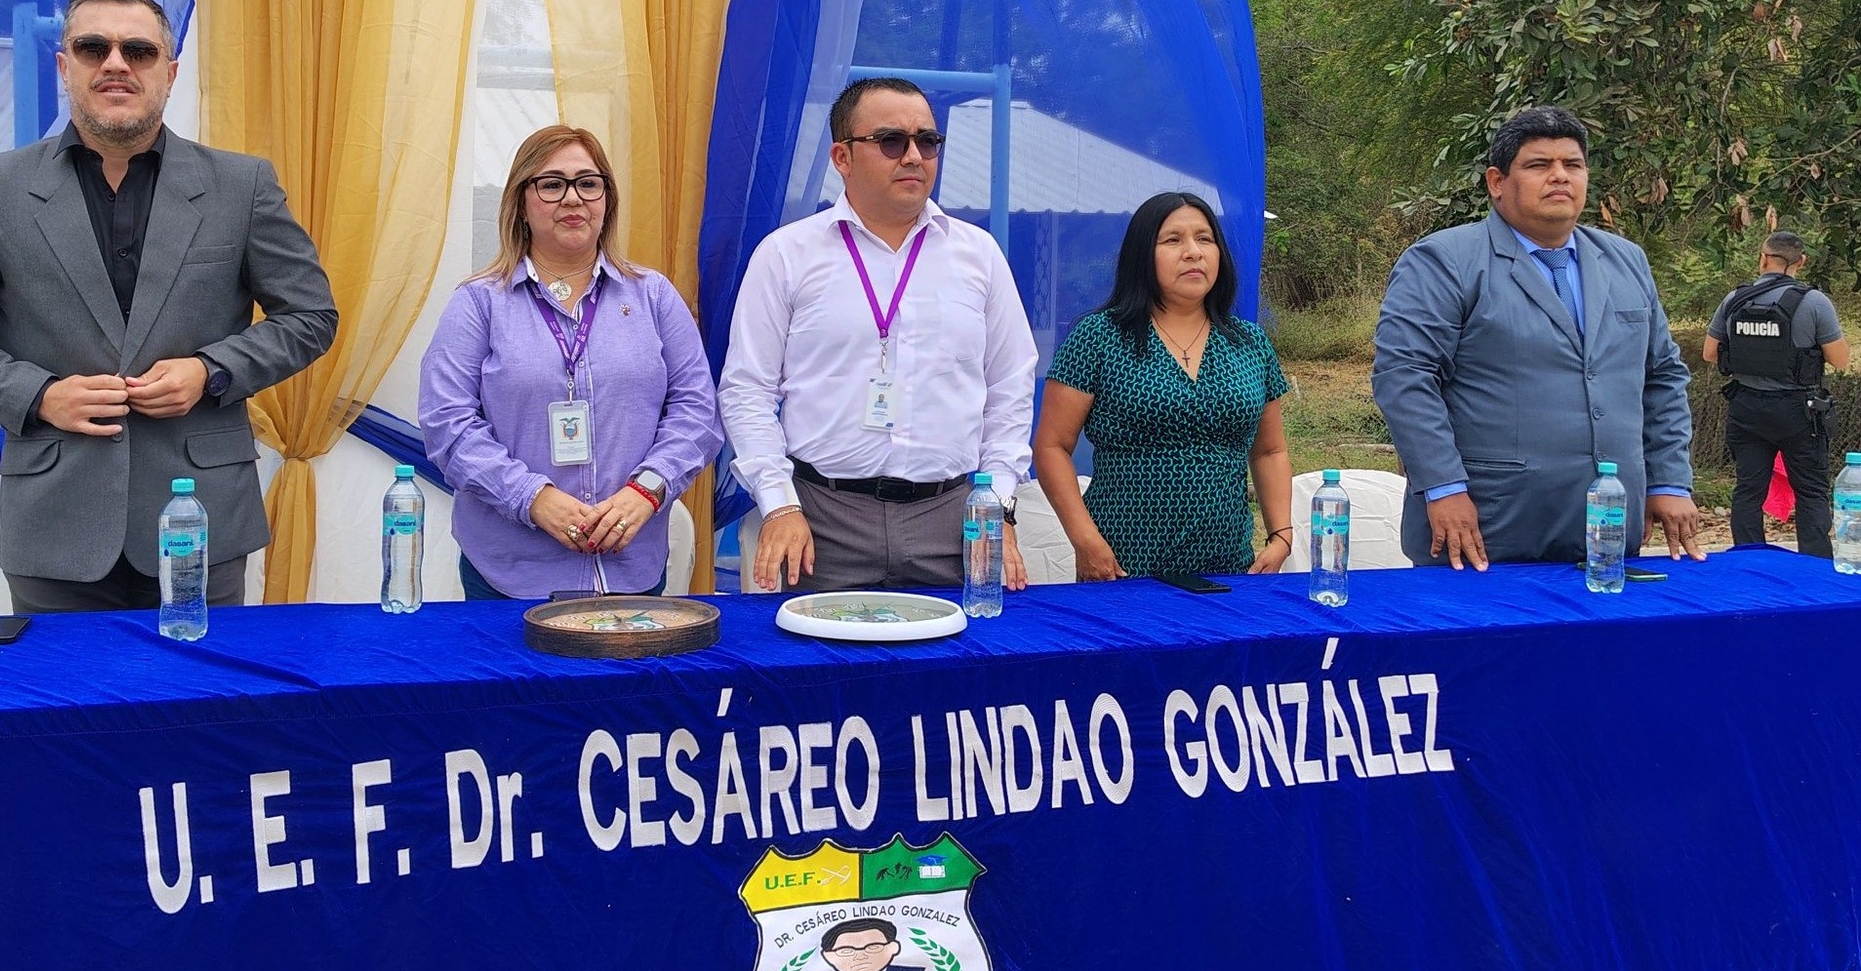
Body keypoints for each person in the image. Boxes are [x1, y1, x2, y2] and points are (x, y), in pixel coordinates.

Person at [0, 0, 337, 614]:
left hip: (202, 519)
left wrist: (210, 371)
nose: (116, 64)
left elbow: (311, 316)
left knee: (199, 681)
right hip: (56, 526)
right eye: (93, 47)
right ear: (64, 67)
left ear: (169, 73)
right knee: (62, 685)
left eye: (139, 51)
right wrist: (38, 395)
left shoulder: (242, 186)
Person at [718, 76, 1038, 593]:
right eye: (891, 141)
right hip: (823, 519)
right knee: (814, 650)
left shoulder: (978, 255)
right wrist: (778, 504)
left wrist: (996, 505)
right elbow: (747, 389)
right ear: (841, 157)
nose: (913, 156)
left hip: (952, 519)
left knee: (966, 648)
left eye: (927, 141)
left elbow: (1010, 386)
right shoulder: (787, 255)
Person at [1372, 105, 1699, 569]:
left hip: (1607, 530)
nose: (1560, 176)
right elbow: (1405, 377)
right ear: (1497, 182)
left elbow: (1663, 376)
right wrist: (1443, 487)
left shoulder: (1626, 261)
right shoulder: (1444, 261)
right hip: (1485, 527)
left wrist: (1668, 480)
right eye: (1539, 164)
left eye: (1573, 164)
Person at [420, 126, 721, 600]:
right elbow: (447, 424)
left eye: (588, 183)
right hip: (509, 578)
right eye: (552, 184)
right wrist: (532, 498)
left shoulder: (654, 296)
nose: (573, 198)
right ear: (521, 202)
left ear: (607, 200)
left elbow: (697, 413)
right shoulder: (479, 303)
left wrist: (645, 491)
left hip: (631, 570)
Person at [1033, 192, 1293, 579]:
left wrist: (1282, 535)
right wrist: (1085, 540)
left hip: (1229, 569)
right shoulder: (1099, 337)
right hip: (1119, 567)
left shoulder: (1249, 342)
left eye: (1204, 239)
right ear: (1142, 254)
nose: (1193, 252)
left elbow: (1270, 450)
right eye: (1173, 240)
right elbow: (1052, 447)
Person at [1703, 231, 1850, 557]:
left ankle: (1749, 561)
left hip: (1746, 408)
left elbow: (1710, 353)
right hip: (1798, 412)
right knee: (1811, 492)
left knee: (1748, 490)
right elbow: (1840, 360)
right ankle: (1813, 567)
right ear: (1801, 261)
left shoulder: (1734, 299)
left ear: (1763, 258)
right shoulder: (1814, 302)